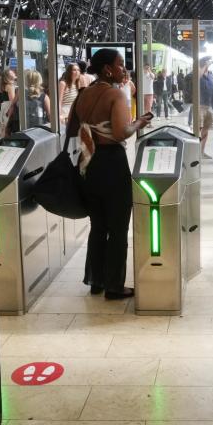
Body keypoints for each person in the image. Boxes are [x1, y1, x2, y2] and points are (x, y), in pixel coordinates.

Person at [69, 48, 150, 300]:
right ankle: (115, 286)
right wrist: (140, 122)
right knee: (117, 228)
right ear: (107, 69)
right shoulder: (115, 95)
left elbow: (72, 127)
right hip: (112, 162)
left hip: (89, 162)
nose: (123, 69)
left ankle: (96, 281)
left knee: (98, 225)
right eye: (120, 64)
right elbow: (120, 133)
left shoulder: (83, 94)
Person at [198, 58, 213, 156]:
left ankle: (202, 151)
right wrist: (205, 65)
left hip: (209, 106)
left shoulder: (210, 75)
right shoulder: (198, 73)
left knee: (206, 129)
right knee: (198, 128)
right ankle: (196, 150)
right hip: (200, 106)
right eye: (207, 62)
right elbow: (198, 75)